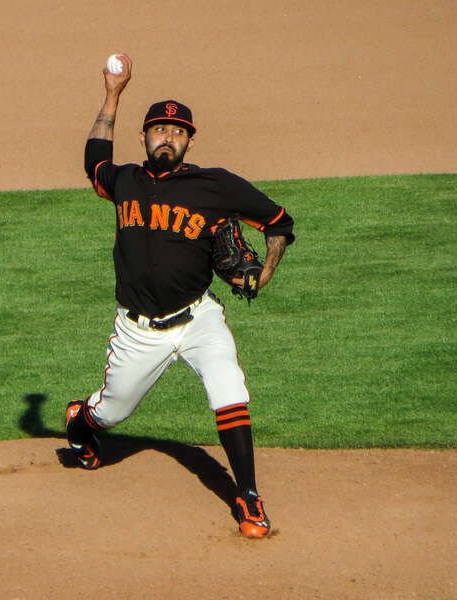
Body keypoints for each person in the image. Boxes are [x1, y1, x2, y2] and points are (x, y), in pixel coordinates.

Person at [66, 53, 295, 538]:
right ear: (145, 137)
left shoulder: (215, 185)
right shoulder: (124, 181)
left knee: (229, 389)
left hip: (198, 320)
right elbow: (94, 161)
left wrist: (267, 271)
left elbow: (279, 222)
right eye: (158, 129)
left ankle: (249, 498)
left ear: (189, 140)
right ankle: (80, 420)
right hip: (138, 330)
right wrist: (112, 93)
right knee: (112, 411)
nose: (167, 137)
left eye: (177, 131)